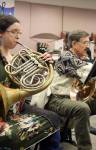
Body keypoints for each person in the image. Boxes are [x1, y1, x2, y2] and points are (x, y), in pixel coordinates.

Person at [0, 15, 61, 150]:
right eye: (14, 32)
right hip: (2, 112)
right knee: (12, 137)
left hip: (19, 107)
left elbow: (32, 82)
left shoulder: (18, 58)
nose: (18, 36)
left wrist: (44, 65)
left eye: (19, 33)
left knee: (54, 118)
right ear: (1, 33)